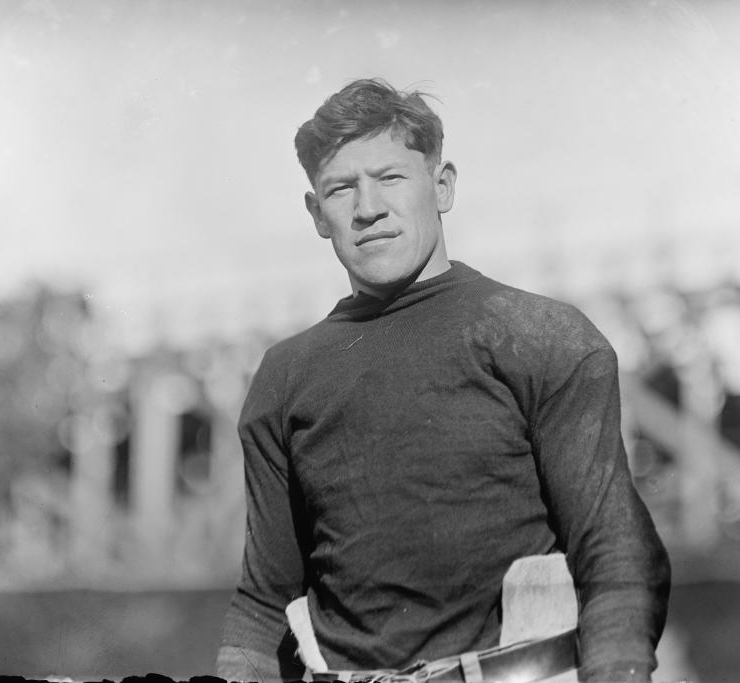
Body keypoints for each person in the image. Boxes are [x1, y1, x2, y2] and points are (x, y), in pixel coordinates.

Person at [216, 78, 670, 683]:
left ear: (443, 185)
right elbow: (264, 600)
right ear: (316, 214)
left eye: (391, 177)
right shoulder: (285, 376)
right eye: (340, 189)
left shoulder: (541, 336)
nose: (368, 208)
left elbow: (615, 557)